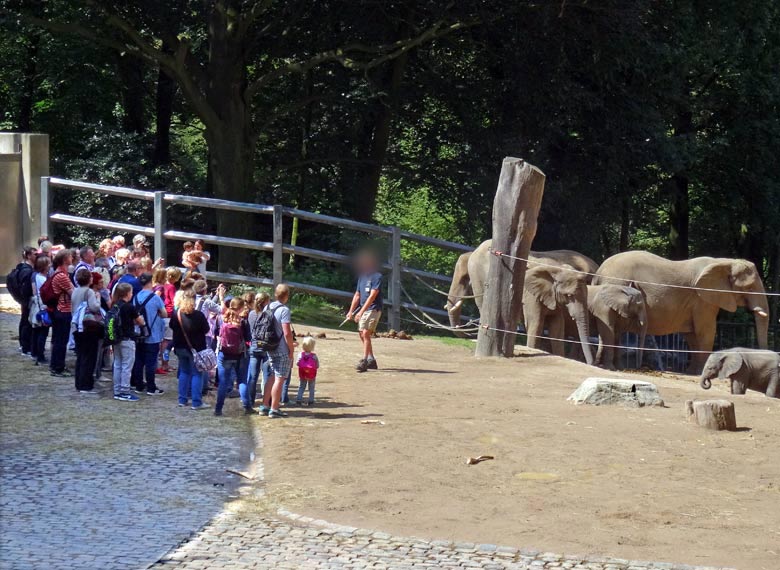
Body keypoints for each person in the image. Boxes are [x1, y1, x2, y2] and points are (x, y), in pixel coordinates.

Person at [170, 290, 210, 410]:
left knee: (184, 372)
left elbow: (172, 326)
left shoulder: (176, 314)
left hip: (180, 347)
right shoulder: (198, 315)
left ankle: (182, 399)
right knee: (197, 374)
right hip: (196, 349)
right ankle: (196, 402)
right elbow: (206, 329)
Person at [130, 273, 168, 396]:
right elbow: (164, 314)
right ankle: (151, 387)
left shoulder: (135, 297)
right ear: (150, 282)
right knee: (151, 363)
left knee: (139, 361)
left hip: (139, 334)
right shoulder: (155, 298)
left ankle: (139, 385)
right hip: (153, 334)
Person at [260, 284, 294, 418]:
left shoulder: (267, 307)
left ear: (275, 294)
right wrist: (291, 349)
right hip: (281, 348)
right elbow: (287, 333)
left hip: (270, 346)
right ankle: (274, 408)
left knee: (272, 376)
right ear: (286, 296)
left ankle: (264, 406)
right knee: (280, 379)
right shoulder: (284, 310)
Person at [348, 251, 383, 372]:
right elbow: (357, 295)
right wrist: (351, 311)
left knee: (366, 333)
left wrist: (360, 311)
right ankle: (371, 359)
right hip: (364, 310)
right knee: (361, 333)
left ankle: (364, 361)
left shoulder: (377, 276)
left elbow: (373, 296)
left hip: (373, 309)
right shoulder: (362, 277)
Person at [214, 298, 249, 416]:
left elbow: (215, 333)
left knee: (223, 382)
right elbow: (248, 338)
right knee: (242, 381)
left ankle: (218, 409)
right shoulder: (242, 321)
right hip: (239, 355)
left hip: (224, 354)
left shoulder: (221, 318)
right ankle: (247, 406)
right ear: (240, 308)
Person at [70, 268, 103, 394]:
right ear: (89, 279)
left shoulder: (75, 291)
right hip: (88, 327)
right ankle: (86, 385)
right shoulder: (89, 292)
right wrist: (98, 298)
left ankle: (79, 382)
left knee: (80, 356)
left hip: (77, 326)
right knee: (89, 357)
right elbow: (95, 307)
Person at [111, 283, 144, 402]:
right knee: (127, 366)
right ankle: (124, 391)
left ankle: (117, 390)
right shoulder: (129, 307)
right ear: (127, 294)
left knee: (117, 364)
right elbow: (140, 321)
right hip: (128, 339)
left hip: (116, 338)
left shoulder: (115, 305)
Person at [245, 292, 271, 415]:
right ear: (266, 302)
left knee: (252, 376)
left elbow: (250, 331)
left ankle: (250, 400)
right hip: (266, 348)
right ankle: (267, 402)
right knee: (267, 376)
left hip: (254, 347)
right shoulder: (270, 315)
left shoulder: (251, 314)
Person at [49, 249, 74, 377]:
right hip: (63, 311)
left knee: (59, 340)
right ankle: (58, 367)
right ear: (65, 259)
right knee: (61, 340)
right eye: (70, 256)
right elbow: (73, 293)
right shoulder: (61, 276)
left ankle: (57, 365)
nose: (72, 258)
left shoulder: (60, 273)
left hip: (61, 310)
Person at [8, 246, 36, 356]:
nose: (37, 256)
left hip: (24, 300)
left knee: (24, 321)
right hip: (27, 300)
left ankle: (23, 345)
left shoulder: (22, 268)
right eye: (35, 254)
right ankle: (25, 347)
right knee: (27, 322)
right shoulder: (27, 271)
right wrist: (27, 299)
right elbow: (25, 288)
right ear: (28, 255)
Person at [30, 255, 52, 365]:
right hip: (43, 307)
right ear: (44, 266)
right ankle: (40, 355)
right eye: (48, 264)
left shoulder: (37, 276)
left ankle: (34, 352)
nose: (50, 265)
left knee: (36, 331)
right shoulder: (43, 279)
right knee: (43, 332)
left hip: (37, 306)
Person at [295, 337, 319, 406]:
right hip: (311, 374)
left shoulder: (300, 354)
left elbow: (297, 363)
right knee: (311, 387)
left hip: (302, 373)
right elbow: (317, 365)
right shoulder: (314, 356)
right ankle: (311, 400)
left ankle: (299, 399)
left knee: (301, 386)